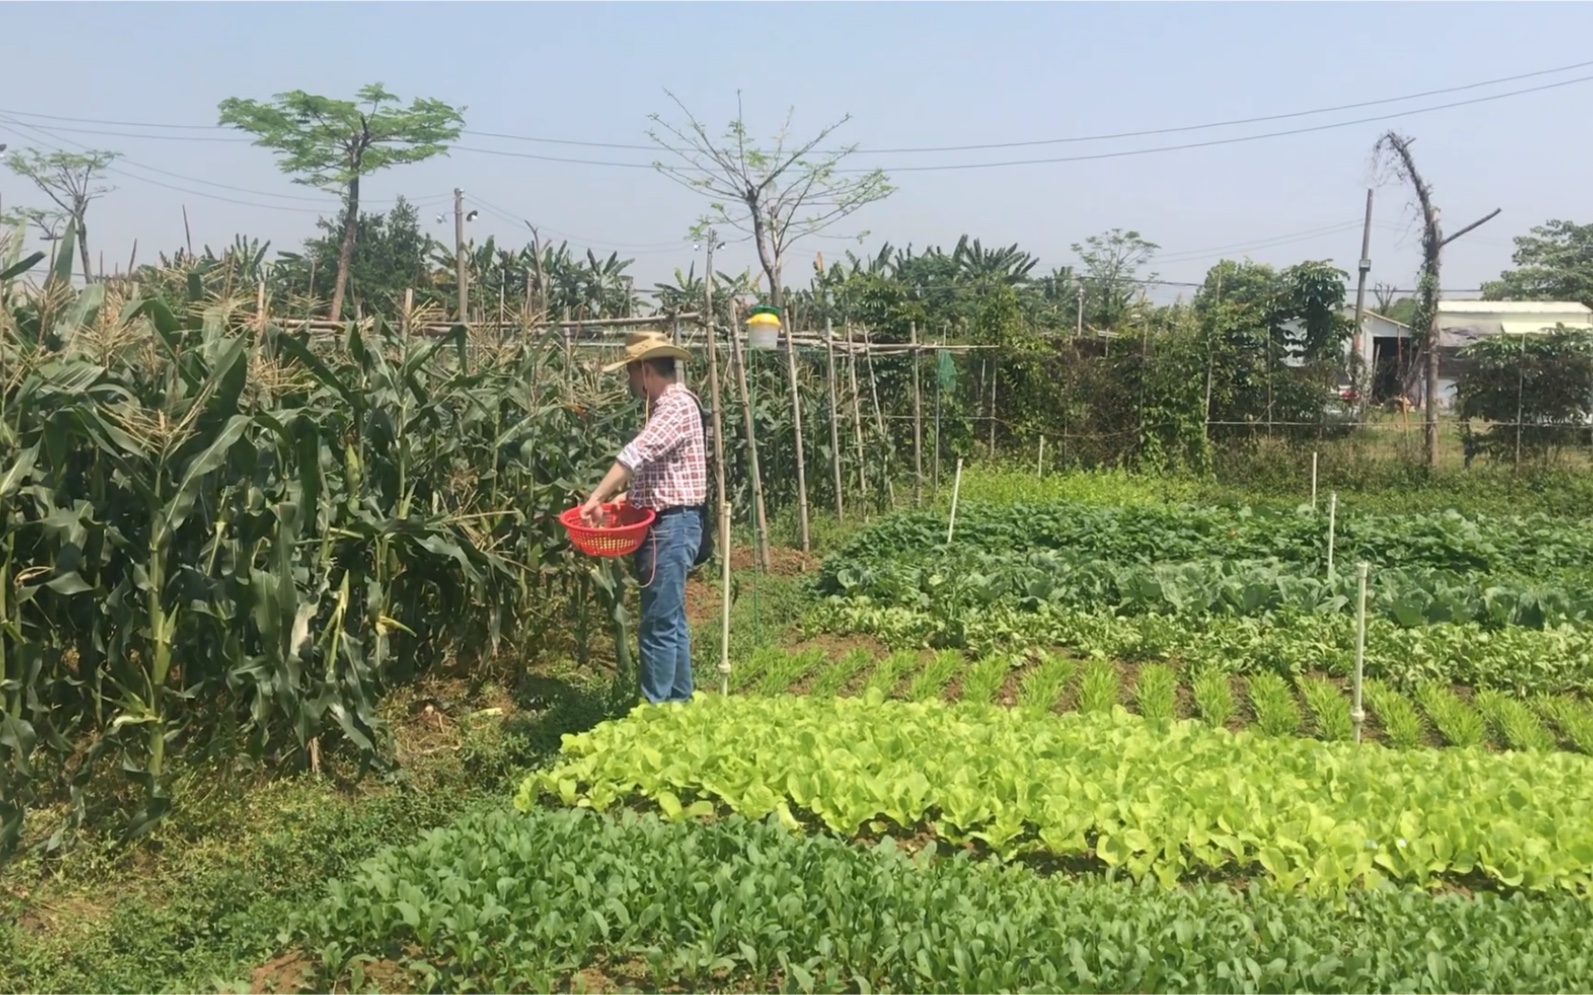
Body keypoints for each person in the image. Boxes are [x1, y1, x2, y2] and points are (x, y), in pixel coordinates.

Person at [580, 331, 707, 705]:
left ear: (645, 369)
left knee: (656, 625)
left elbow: (637, 453)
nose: (630, 383)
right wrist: (625, 497)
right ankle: (679, 704)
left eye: (630, 374)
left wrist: (597, 497)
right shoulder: (673, 407)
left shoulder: (675, 406)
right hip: (674, 523)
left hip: (671, 527)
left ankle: (653, 714)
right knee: (671, 621)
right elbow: (661, 470)